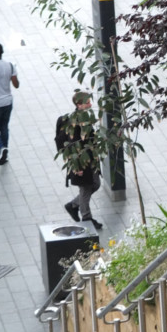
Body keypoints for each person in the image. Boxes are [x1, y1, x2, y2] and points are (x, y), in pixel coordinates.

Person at [56, 91, 103, 229]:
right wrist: (77, 167)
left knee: (95, 184)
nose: (90, 104)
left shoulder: (84, 117)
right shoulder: (75, 123)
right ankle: (86, 217)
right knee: (85, 188)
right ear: (79, 105)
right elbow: (73, 144)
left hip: (89, 159)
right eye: (87, 102)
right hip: (81, 162)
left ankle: (73, 205)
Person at [0, 42, 19, 165]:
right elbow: (16, 85)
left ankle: (1, 148)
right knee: (4, 127)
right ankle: (4, 153)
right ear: (2, 52)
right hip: (7, 102)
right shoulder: (10, 66)